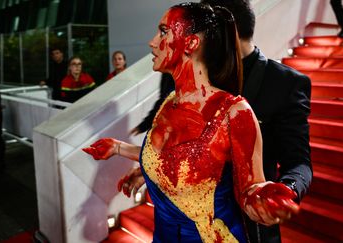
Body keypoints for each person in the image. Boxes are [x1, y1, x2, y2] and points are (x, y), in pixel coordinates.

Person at [83, 3, 300, 242]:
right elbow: (172, 161)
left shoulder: (234, 112)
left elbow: (248, 191)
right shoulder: (169, 102)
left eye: (164, 31)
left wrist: (262, 200)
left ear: (191, 43)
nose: (152, 42)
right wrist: (119, 149)